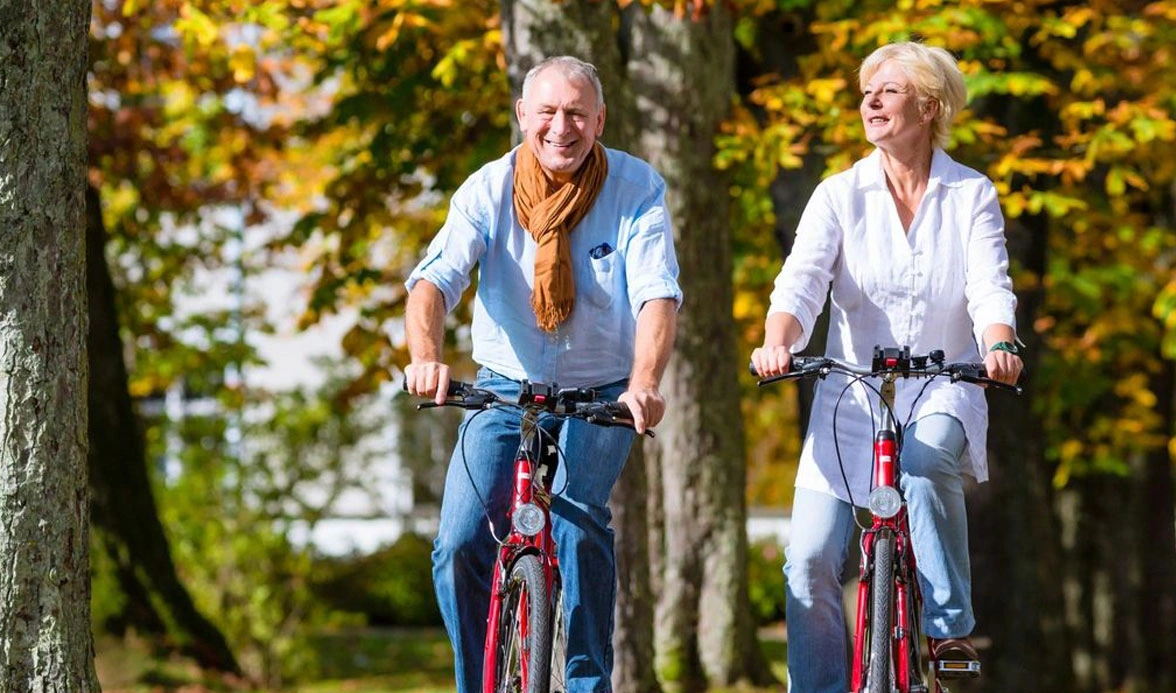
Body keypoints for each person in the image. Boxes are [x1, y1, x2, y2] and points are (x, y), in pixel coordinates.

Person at [749, 42, 1024, 693]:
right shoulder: (839, 195)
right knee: (809, 559)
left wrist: (1001, 345)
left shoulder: (970, 194)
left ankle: (948, 631)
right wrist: (776, 341)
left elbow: (989, 286)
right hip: (851, 395)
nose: (870, 101)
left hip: (943, 385)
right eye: (866, 91)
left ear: (929, 107)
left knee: (924, 466)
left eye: (888, 90)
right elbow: (801, 284)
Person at [403, 55, 680, 693]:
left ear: (600, 121)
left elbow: (656, 295)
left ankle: (586, 685)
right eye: (548, 112)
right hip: (504, 386)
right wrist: (425, 358)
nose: (562, 127)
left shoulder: (636, 188)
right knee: (459, 541)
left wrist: (643, 383)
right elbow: (432, 283)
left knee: (578, 523)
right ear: (523, 116)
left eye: (577, 113)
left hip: (601, 389)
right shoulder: (488, 189)